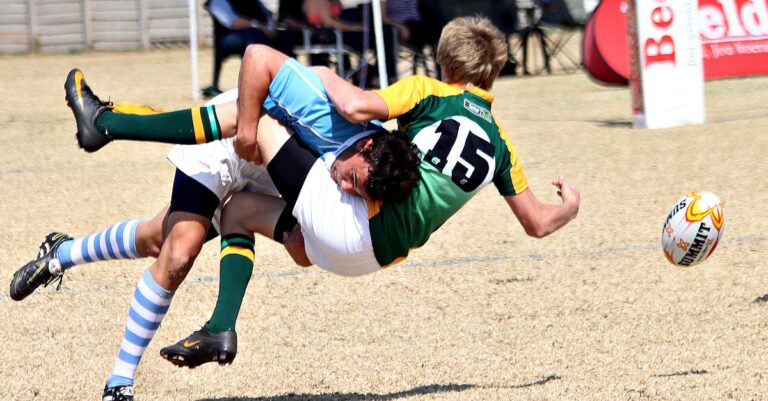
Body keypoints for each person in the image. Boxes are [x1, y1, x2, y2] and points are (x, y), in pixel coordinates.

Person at [57, 17, 580, 376]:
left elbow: (356, 107)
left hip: (349, 221)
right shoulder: (500, 144)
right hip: (364, 261)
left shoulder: (431, 92)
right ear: (493, 75)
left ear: (447, 66)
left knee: (256, 118)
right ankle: (220, 327)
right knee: (238, 211)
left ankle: (109, 124)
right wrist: (569, 207)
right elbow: (537, 222)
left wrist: (323, 75)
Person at [10, 58, 420, 400]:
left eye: (356, 191)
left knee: (156, 237)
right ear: (366, 146)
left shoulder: (372, 169)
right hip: (230, 139)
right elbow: (267, 61)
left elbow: (305, 246)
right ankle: (120, 381)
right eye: (352, 179)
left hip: (270, 170)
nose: (346, 188)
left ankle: (61, 252)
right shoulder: (341, 116)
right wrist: (247, 132)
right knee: (177, 251)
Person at [203, 0, 297, 97]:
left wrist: (270, 27)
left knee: (285, 37)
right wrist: (259, 26)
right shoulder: (217, 1)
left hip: (256, 33)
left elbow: (267, 14)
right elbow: (233, 22)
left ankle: (291, 81)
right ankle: (257, 86)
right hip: (229, 38)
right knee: (255, 39)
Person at [303, 0, 398, 87]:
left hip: (340, 33)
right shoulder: (318, 2)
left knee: (385, 33)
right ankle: (380, 75)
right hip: (331, 36)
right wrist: (353, 27)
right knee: (384, 35)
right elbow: (328, 22)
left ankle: (379, 74)